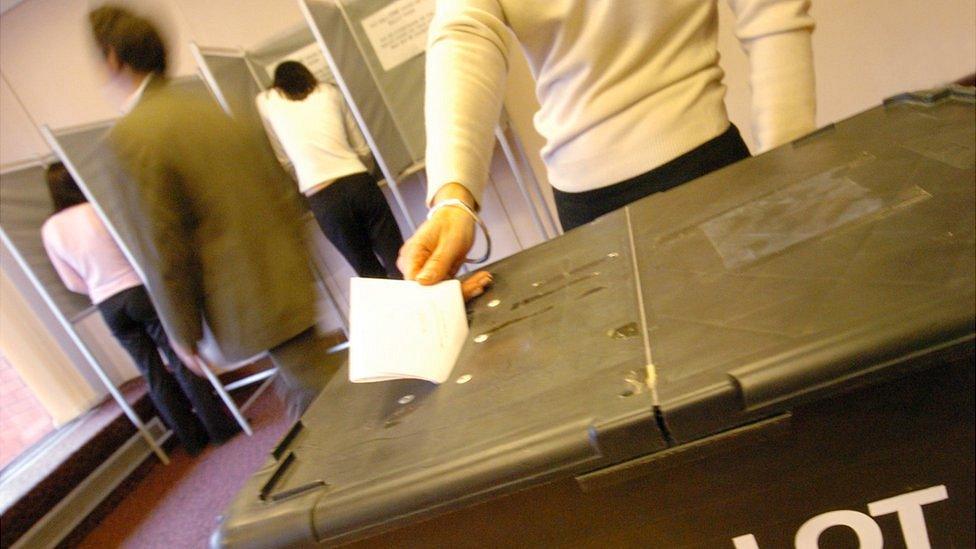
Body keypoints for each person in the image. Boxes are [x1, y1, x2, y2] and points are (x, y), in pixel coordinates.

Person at [399, 0, 817, 287]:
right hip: (587, 211)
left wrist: (787, 165)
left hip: (710, 175)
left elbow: (769, 14)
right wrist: (452, 196)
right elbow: (467, 32)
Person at [88, 5, 342, 419]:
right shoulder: (212, 112)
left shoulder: (132, 138)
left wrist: (180, 332)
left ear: (113, 57)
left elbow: (162, 244)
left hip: (246, 297)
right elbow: (278, 192)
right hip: (285, 278)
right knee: (310, 393)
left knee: (328, 403)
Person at [41, 162, 239, 454]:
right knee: (180, 356)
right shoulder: (97, 211)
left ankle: (192, 441)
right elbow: (136, 250)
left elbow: (72, 283)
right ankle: (219, 429)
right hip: (138, 291)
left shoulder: (50, 230)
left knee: (152, 373)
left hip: (108, 305)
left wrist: (100, 287)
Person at [256, 61, 404, 279]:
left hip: (323, 196)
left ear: (277, 83)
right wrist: (364, 175)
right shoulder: (329, 91)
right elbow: (361, 147)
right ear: (309, 76)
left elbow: (285, 159)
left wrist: (307, 179)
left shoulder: (266, 101)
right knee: (400, 260)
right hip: (358, 182)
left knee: (369, 274)